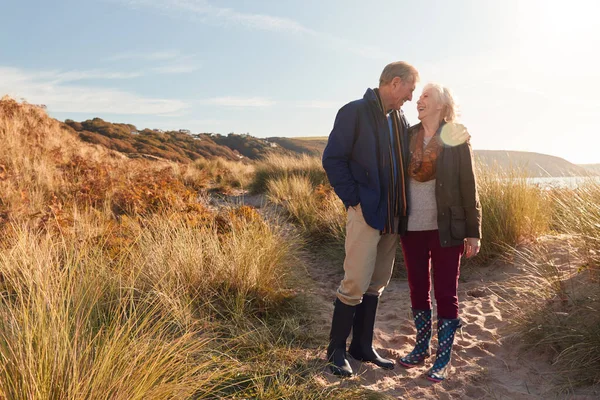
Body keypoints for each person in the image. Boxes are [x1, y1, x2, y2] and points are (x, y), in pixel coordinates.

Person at [321, 61, 418, 377]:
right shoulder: (354, 112)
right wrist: (355, 200)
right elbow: (333, 159)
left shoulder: (399, 118)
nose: (410, 97)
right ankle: (336, 350)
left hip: (392, 214)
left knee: (376, 284)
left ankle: (361, 346)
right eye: (410, 89)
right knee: (355, 282)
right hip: (366, 212)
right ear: (394, 83)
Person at [397, 83, 482, 382]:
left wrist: (474, 232)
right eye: (418, 96)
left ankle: (442, 358)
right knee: (418, 288)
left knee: (445, 292)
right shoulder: (407, 136)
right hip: (412, 226)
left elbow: (469, 186)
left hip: (447, 228)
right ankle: (421, 348)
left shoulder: (456, 137)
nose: (418, 100)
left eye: (425, 97)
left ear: (440, 105)